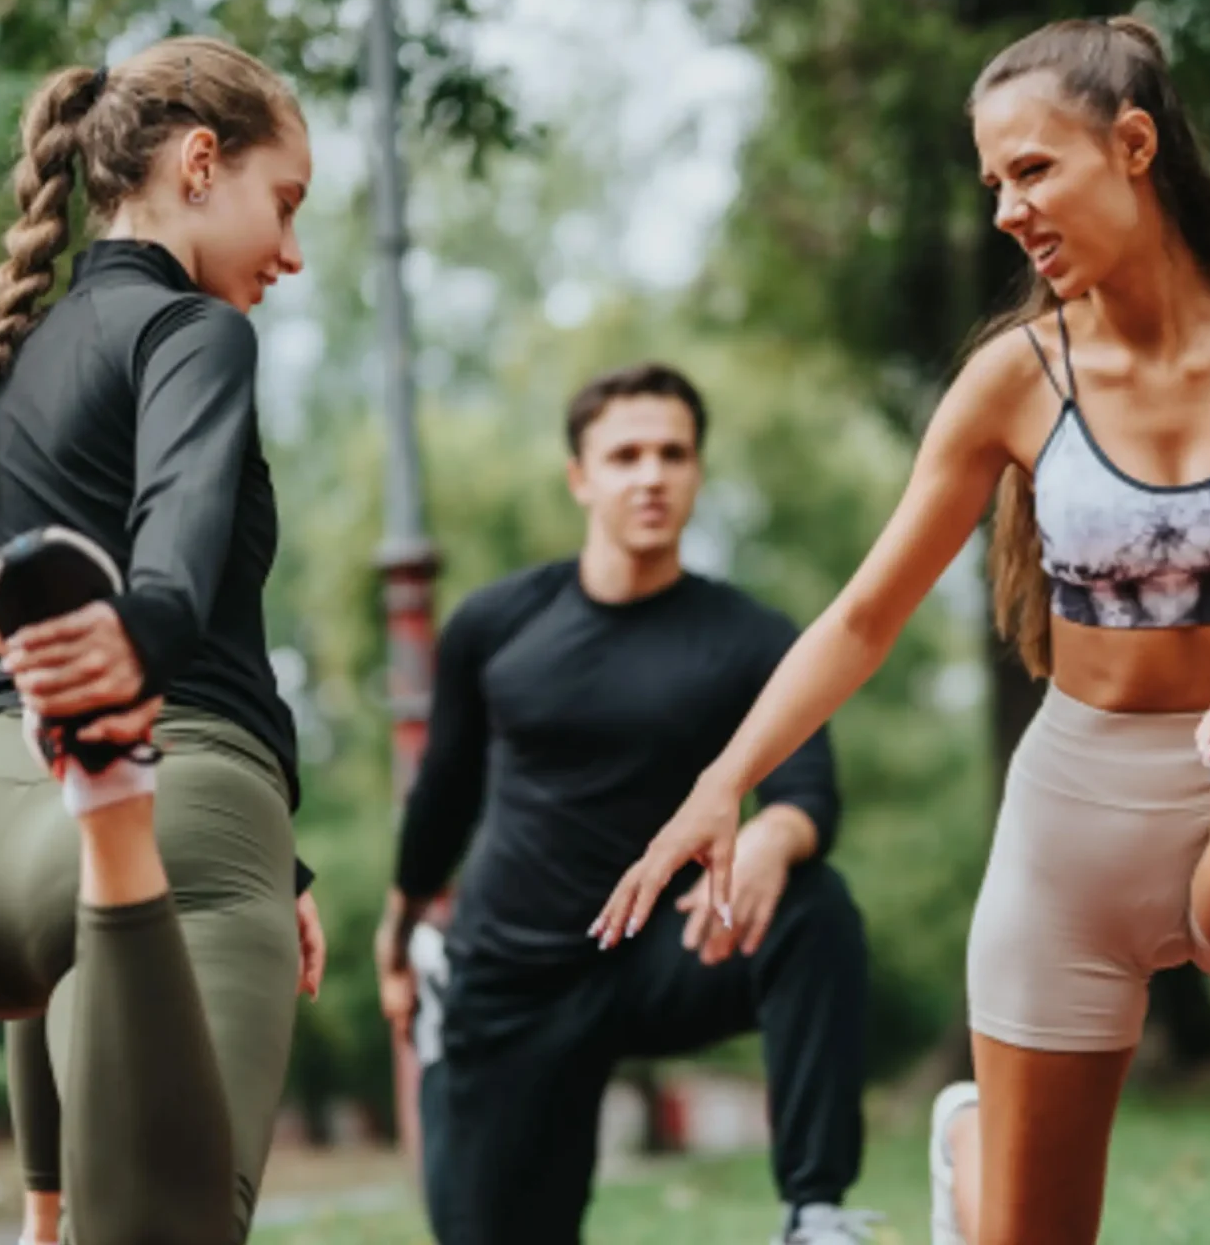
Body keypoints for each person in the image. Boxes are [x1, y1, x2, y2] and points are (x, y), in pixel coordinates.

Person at [595, 16, 1210, 1245]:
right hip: (1073, 827)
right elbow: (865, 615)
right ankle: (971, 1148)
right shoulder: (1014, 377)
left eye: (1031, 170)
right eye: (993, 183)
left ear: (1133, 145)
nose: (1006, 211)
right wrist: (725, 782)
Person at [0, 36, 331, 1245]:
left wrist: (41, 1188)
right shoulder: (194, 333)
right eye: (284, 203)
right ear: (199, 162)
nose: (290, 251)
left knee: (89, 1216)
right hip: (166, 797)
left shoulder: (14, 357)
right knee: (181, 1226)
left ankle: (44, 1216)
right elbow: (170, 575)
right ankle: (112, 782)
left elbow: (48, 684)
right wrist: (143, 661)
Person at [376, 364, 881, 1245]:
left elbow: (808, 792)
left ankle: (815, 1212)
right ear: (581, 477)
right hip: (514, 978)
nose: (651, 476)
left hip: (667, 956)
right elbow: (442, 799)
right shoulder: (495, 625)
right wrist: (398, 932)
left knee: (814, 907)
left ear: (697, 472)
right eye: (625, 456)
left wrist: (773, 835)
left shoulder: (753, 638)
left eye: (672, 455)